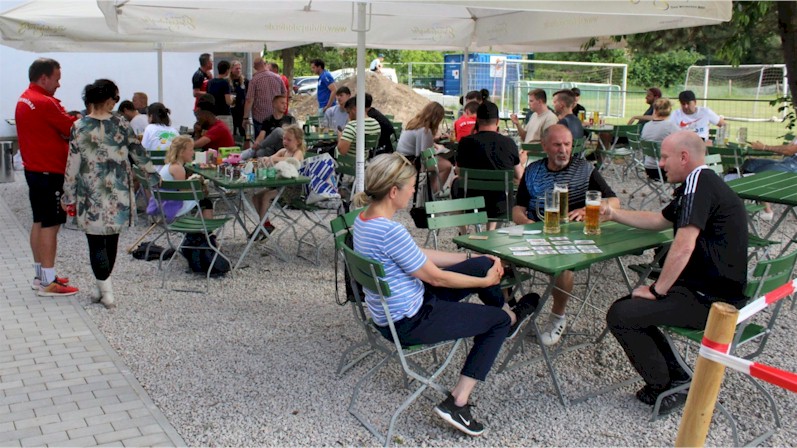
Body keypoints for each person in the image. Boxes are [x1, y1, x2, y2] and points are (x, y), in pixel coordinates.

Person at [351, 152, 538, 436]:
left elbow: (417, 255)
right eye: (411, 185)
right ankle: (458, 402)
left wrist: (467, 257)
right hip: (411, 321)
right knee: (495, 318)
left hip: (400, 310)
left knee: (482, 263)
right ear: (393, 192)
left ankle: (507, 316)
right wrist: (484, 281)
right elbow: (436, 278)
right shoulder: (391, 231)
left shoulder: (363, 221)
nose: (414, 190)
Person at [604, 130, 748, 414]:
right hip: (709, 291)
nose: (660, 163)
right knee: (628, 306)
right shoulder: (703, 182)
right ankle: (675, 376)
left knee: (621, 314)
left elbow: (683, 244)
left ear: (684, 157)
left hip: (715, 303)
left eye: (665, 157)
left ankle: (667, 385)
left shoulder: (699, 184)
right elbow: (659, 220)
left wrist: (658, 290)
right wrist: (614, 214)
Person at [513, 125, 619, 346]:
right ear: (544, 146)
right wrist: (528, 224)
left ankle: (557, 317)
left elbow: (614, 201)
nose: (563, 150)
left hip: (569, 238)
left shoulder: (584, 169)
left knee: (562, 266)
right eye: (557, 145)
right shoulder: (532, 170)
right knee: (495, 260)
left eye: (567, 144)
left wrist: (587, 210)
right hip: (535, 232)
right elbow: (517, 210)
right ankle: (511, 311)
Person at [62, 79, 160, 309]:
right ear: (107, 100)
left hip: (90, 192)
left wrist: (68, 194)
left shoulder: (78, 127)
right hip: (118, 190)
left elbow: (72, 164)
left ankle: (104, 289)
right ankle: (105, 288)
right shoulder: (122, 124)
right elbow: (139, 154)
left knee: (95, 242)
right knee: (112, 240)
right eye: (115, 99)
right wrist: (153, 175)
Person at [15, 58, 79, 296]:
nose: (59, 84)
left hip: (35, 169)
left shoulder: (26, 98)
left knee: (40, 222)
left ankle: (40, 274)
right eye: (57, 79)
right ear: (44, 78)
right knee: (51, 225)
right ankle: (49, 282)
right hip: (49, 171)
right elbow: (72, 129)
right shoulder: (44, 102)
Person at [455, 102, 523, 231]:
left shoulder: (465, 142)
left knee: (456, 184)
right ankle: (491, 231)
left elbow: (459, 171)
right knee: (499, 191)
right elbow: (520, 175)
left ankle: (464, 232)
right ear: (497, 121)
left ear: (477, 120)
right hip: (501, 206)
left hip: (470, 204)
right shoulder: (508, 143)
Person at [252, 125, 306, 234]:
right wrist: (265, 160)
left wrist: (273, 158)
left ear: (298, 142)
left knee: (266, 196)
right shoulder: (283, 151)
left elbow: (293, 160)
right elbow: (271, 158)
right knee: (255, 197)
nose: (285, 141)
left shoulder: (298, 152)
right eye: (284, 139)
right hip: (279, 185)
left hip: (292, 189)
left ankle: (262, 227)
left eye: (289, 140)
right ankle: (265, 223)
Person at [149, 135, 214, 221]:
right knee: (207, 202)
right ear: (181, 152)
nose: (193, 152)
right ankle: (207, 232)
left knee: (202, 200)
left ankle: (197, 231)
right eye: (191, 150)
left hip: (162, 203)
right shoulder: (178, 168)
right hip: (172, 206)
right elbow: (183, 193)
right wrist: (200, 187)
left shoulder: (170, 165)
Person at [396, 102, 452, 193]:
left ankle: (429, 191)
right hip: (413, 163)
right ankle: (434, 192)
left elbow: (421, 144)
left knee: (437, 164)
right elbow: (425, 154)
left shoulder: (415, 123)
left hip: (402, 159)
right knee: (447, 165)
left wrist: (437, 139)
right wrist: (441, 149)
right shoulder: (425, 130)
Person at [740, 137, 797, 220]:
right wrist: (764, 147)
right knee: (750, 164)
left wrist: (764, 147)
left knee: (762, 174)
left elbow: (789, 151)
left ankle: (767, 211)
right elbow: (788, 147)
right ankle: (752, 199)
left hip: (795, 166)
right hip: (789, 161)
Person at [242, 95, 296, 159]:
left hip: (284, 146)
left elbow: (295, 134)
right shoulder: (268, 120)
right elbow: (261, 135)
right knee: (259, 153)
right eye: (282, 103)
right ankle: (256, 151)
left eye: (286, 103)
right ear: (274, 104)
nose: (285, 105)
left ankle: (255, 149)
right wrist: (256, 143)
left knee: (278, 131)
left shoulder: (290, 119)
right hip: (271, 148)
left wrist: (259, 145)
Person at [243, 59, 287, 137]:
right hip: (276, 116)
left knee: (261, 144)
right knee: (276, 142)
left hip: (260, 118)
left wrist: (245, 118)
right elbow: (284, 93)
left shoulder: (254, 80)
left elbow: (249, 100)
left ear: (255, 67)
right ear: (265, 64)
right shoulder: (277, 77)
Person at [640, 98, 680, 180]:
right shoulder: (671, 126)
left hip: (649, 169)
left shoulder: (646, 126)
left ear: (655, 110)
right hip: (665, 170)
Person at [206, 60, 234, 133]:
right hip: (224, 114)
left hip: (212, 114)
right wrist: (233, 100)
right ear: (227, 70)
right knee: (226, 135)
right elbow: (228, 101)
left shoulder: (210, 82)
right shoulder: (225, 82)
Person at [229, 60, 248, 140]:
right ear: (231, 69)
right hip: (231, 110)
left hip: (242, 110)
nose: (238, 70)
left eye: (240, 68)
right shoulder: (228, 81)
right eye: (236, 68)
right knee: (231, 131)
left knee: (243, 132)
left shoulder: (245, 81)